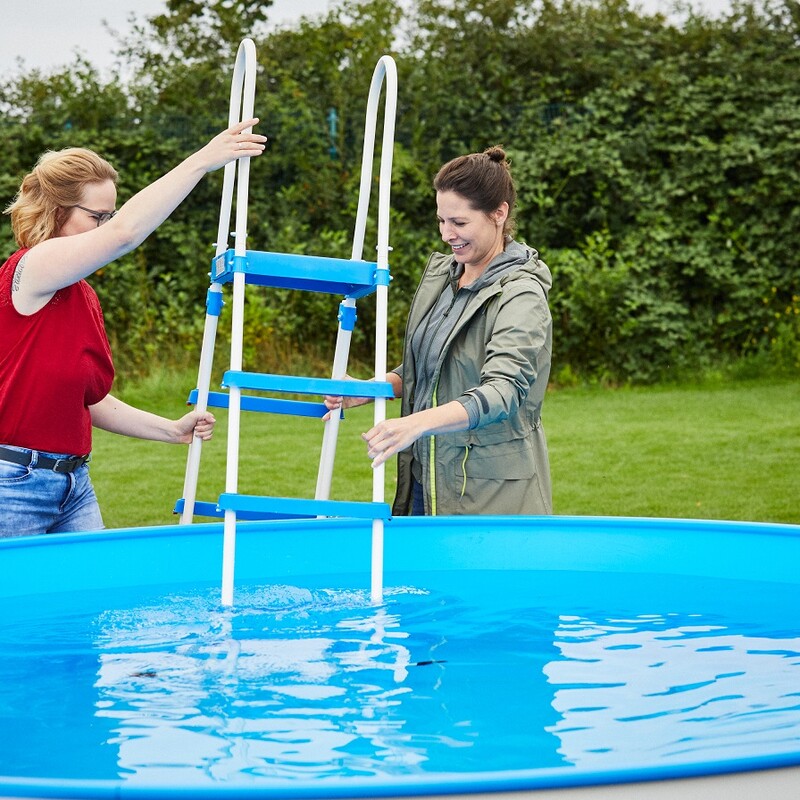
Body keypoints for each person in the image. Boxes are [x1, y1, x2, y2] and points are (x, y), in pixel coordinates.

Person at [0, 119, 267, 536]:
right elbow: (126, 234)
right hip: (13, 486)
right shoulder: (31, 268)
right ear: (56, 212)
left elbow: (87, 401)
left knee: (94, 600)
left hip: (74, 486)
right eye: (97, 216)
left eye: (111, 215)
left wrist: (170, 430)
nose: (106, 226)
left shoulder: (82, 294)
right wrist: (201, 161)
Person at [326, 145, 553, 516]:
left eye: (459, 223)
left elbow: (504, 391)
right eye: (441, 221)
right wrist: (369, 389)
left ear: (499, 214)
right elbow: (432, 366)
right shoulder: (446, 277)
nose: (447, 234)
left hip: (489, 495)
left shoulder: (521, 294)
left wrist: (415, 423)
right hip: (426, 481)